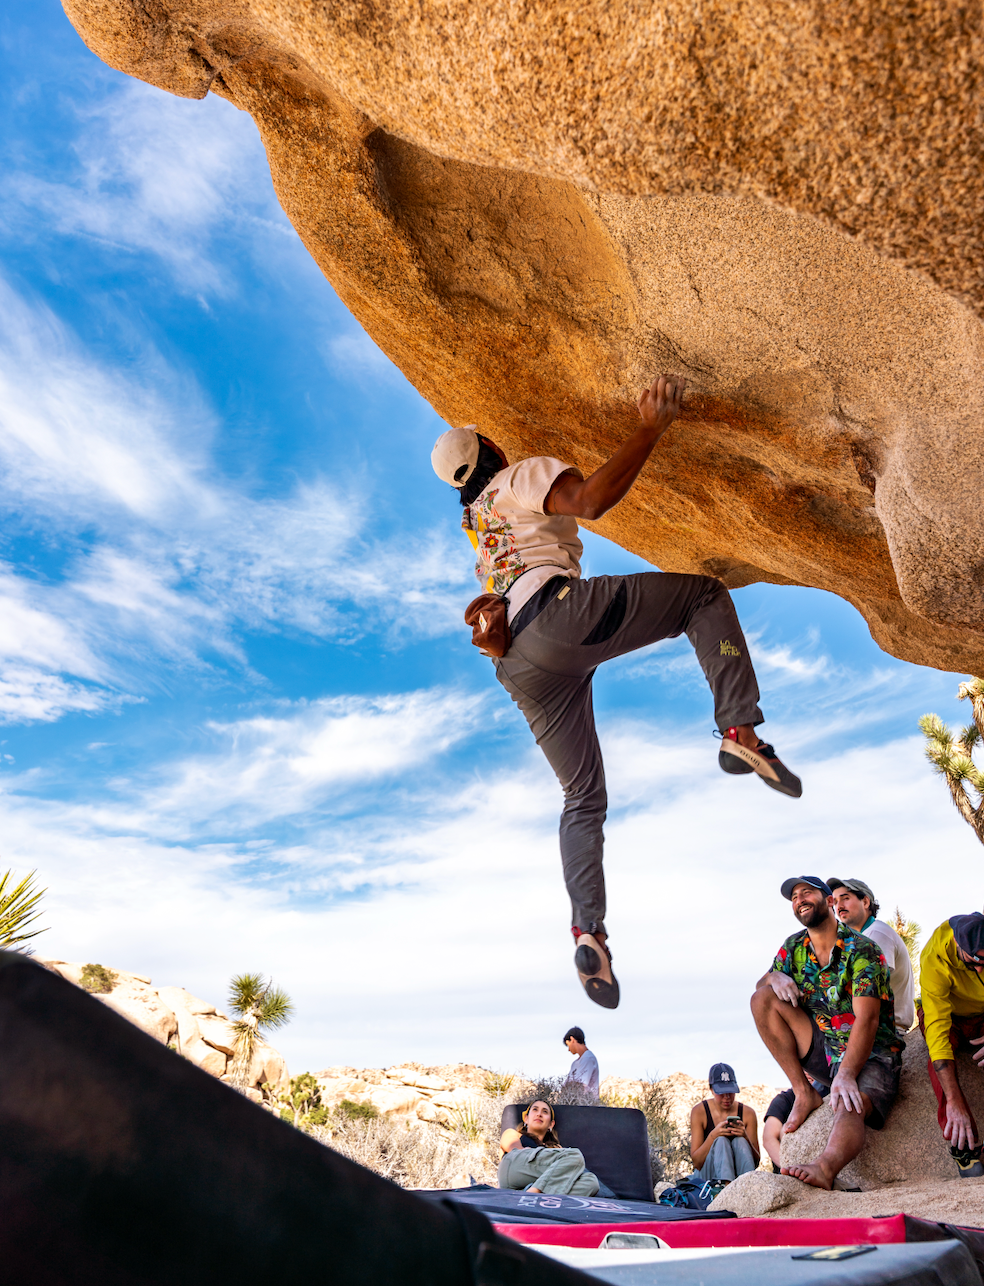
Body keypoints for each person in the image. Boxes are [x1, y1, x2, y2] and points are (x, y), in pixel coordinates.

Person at [430, 375, 802, 1008]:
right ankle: (739, 728)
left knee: (582, 797)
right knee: (703, 597)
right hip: (557, 616)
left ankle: (589, 932)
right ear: (490, 447)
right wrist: (650, 426)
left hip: (517, 664)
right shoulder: (517, 477)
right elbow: (592, 500)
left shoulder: (474, 520)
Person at [750, 876, 904, 1189]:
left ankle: (825, 1167)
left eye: (807, 892)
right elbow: (760, 985)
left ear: (829, 901)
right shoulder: (794, 947)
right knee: (761, 999)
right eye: (794, 897)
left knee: (849, 1101)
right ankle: (804, 1093)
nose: (799, 900)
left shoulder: (863, 950)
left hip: (871, 1052)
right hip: (825, 1047)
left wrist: (846, 1075)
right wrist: (774, 978)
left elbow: (868, 1019)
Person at [918, 913, 984, 1178]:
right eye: (975, 962)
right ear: (959, 945)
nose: (980, 970)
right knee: (940, 1066)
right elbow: (937, 1032)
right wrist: (953, 1101)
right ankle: (966, 1147)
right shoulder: (934, 955)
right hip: (951, 1017)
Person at [828, 877, 915, 1033]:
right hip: (867, 1027)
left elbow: (869, 987)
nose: (839, 906)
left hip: (882, 1031)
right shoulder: (858, 939)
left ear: (866, 902)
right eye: (835, 902)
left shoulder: (876, 933)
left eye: (845, 898)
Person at [498, 1099, 600, 1195]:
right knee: (575, 1155)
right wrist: (529, 1153)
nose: (539, 1114)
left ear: (551, 1124)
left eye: (545, 1112)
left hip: (527, 1185)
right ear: (526, 1118)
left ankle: (531, 1195)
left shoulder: (554, 1148)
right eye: (535, 1109)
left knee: (591, 1181)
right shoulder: (515, 1134)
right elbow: (513, 1149)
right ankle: (532, 1195)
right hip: (514, 1168)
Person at [689, 1062, 760, 1181]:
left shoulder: (748, 1113)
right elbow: (697, 1163)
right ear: (711, 1089)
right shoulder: (699, 1111)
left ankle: (748, 1185)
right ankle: (725, 1187)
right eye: (721, 1092)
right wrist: (714, 1135)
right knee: (721, 1141)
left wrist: (745, 1137)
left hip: (739, 1175)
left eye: (730, 1092)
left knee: (740, 1141)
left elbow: (756, 1162)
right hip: (708, 1177)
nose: (726, 1097)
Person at [761, 1083, 829, 1172]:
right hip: (789, 1167)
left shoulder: (831, 1095)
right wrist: (788, 1168)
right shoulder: (785, 1099)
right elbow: (769, 1138)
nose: (810, 1075)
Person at [563, 1027, 600, 1102]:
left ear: (572, 1039)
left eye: (568, 1045)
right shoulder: (575, 1063)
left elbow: (580, 1086)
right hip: (573, 1103)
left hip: (586, 1104)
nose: (569, 1049)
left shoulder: (588, 1058)